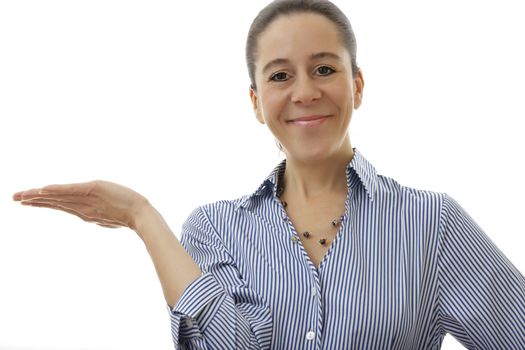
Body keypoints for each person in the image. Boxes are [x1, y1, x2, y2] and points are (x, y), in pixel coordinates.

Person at [12, 0, 525, 349]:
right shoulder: (213, 230)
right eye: (280, 75)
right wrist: (142, 217)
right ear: (257, 103)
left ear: (358, 85)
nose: (304, 92)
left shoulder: (431, 223)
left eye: (324, 68)